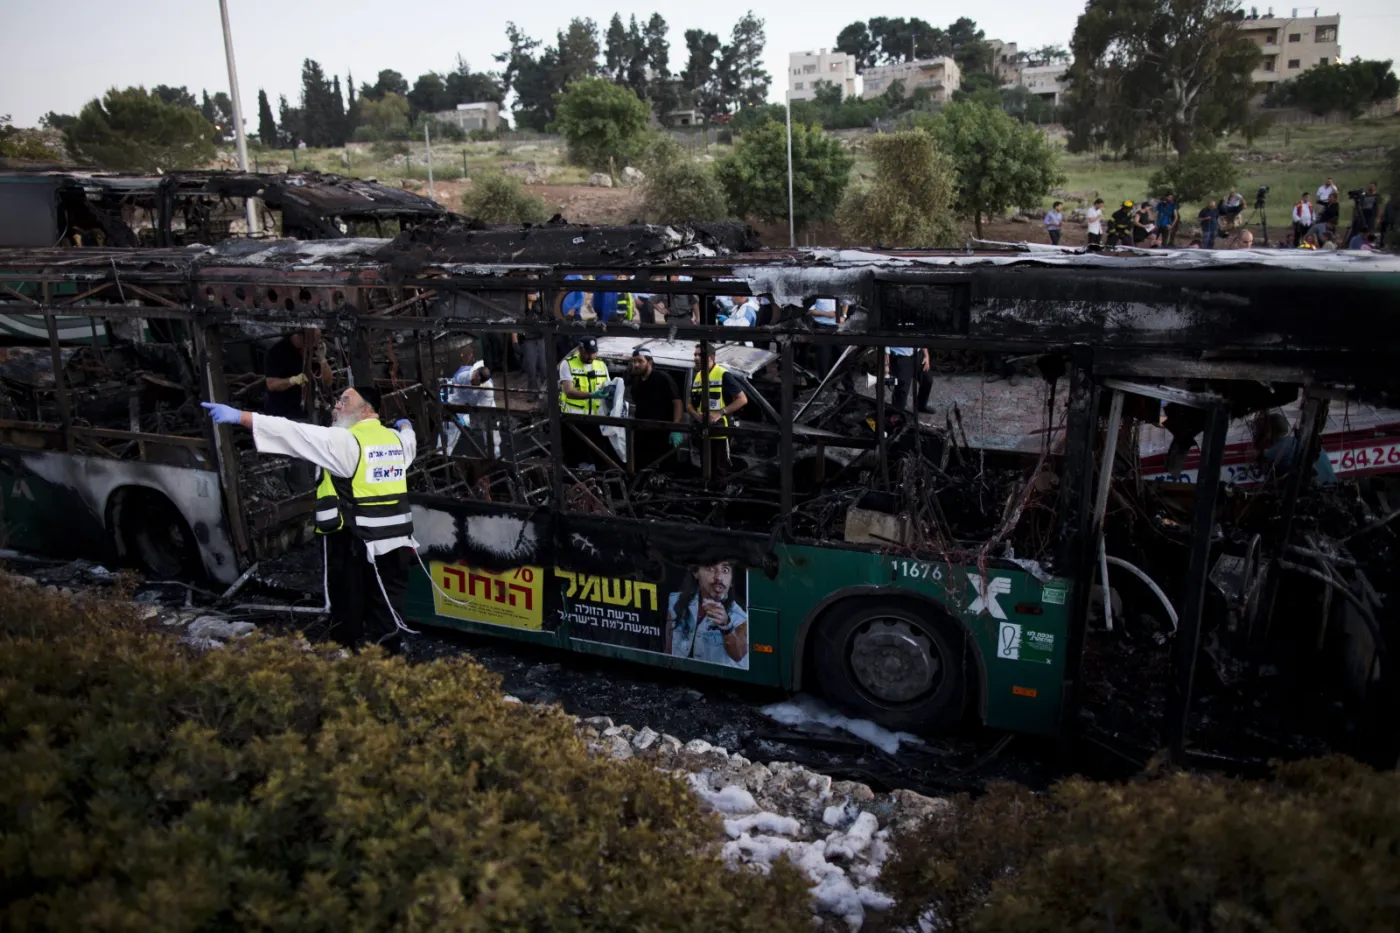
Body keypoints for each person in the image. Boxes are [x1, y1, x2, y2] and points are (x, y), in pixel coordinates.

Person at [202, 387, 416, 652]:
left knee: (347, 606)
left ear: (366, 411)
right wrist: (405, 425)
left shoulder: (346, 441)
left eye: (344, 402)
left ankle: (346, 658)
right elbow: (409, 440)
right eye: (338, 401)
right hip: (395, 543)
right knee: (387, 607)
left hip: (355, 543)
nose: (336, 406)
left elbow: (294, 432)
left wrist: (242, 417)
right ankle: (389, 662)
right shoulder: (396, 441)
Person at [664, 561, 748, 668]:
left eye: (725, 570)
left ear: (731, 580)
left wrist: (726, 625)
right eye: (710, 568)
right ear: (696, 572)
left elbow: (739, 654)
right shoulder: (675, 602)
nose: (719, 577)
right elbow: (668, 651)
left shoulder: (741, 617)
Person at [687, 344, 747, 478]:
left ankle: (718, 490)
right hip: (703, 432)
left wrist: (719, 413)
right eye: (695, 355)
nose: (696, 358)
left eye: (700, 355)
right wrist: (696, 415)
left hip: (719, 433)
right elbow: (689, 404)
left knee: (719, 472)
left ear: (711, 357)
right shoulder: (698, 376)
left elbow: (742, 399)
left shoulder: (722, 374)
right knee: (705, 470)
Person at [558, 337, 613, 468]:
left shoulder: (601, 365)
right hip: (573, 420)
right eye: (588, 352)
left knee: (600, 457)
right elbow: (569, 391)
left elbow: (608, 386)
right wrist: (592, 395)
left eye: (594, 352)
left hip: (596, 420)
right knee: (573, 459)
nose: (591, 356)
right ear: (580, 349)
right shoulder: (568, 364)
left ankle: (599, 479)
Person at [626, 348, 682, 470]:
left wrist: (675, 427)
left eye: (640, 361)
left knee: (665, 470)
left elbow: (677, 402)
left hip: (662, 434)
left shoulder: (662, 378)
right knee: (641, 469)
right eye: (634, 361)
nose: (636, 364)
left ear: (650, 362)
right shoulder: (636, 382)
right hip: (642, 434)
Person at [262, 328, 326, 419]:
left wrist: (323, 360)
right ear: (302, 337)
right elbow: (271, 384)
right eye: (312, 342)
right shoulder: (277, 351)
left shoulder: (314, 350)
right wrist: (293, 380)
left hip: (308, 412)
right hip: (282, 413)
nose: (314, 345)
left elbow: (328, 381)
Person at [442, 355, 497, 457]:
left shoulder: (488, 388)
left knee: (490, 425)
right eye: (475, 377)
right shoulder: (462, 376)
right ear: (475, 373)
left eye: (478, 380)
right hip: (462, 398)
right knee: (451, 424)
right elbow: (455, 395)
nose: (474, 380)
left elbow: (482, 409)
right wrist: (454, 411)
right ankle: (443, 454)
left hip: (481, 403)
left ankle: (494, 455)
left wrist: (467, 419)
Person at [516, 291, 549, 397]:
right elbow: (523, 320)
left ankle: (545, 393)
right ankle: (532, 393)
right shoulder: (521, 304)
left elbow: (545, 315)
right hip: (528, 339)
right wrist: (529, 303)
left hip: (540, 338)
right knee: (531, 369)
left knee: (543, 368)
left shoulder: (541, 303)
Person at [889, 347, 933, 415]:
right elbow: (885, 345)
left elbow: (922, 340)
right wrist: (886, 364)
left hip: (918, 353)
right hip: (901, 356)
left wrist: (926, 355)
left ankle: (921, 406)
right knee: (902, 387)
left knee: (927, 380)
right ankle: (896, 413)